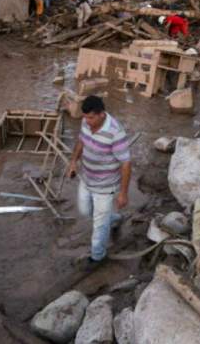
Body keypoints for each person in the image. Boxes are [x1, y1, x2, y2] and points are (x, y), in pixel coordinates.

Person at [67, 95, 131, 269]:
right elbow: (81, 141)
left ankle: (97, 256)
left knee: (99, 225)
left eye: (91, 117)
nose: (87, 121)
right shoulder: (86, 123)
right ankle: (115, 219)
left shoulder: (116, 132)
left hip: (106, 186)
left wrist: (123, 194)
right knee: (85, 210)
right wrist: (74, 161)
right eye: (85, 117)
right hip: (87, 178)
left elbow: (126, 164)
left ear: (102, 114)